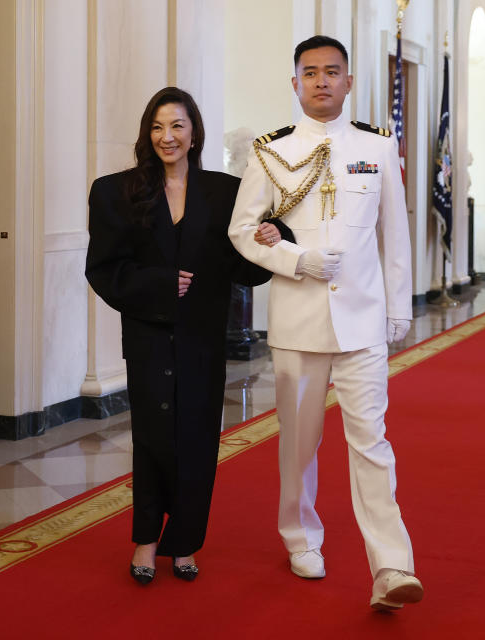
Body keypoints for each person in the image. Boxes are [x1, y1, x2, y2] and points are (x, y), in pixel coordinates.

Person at [228, 36, 424, 611]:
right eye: (309, 73)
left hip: (362, 321)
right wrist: (295, 259)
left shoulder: (378, 146)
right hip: (299, 320)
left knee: (373, 443)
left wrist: (398, 306)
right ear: (295, 83)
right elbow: (242, 230)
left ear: (347, 81)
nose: (320, 81)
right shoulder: (271, 153)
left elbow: (395, 235)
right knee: (300, 444)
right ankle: (300, 535)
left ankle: (391, 565)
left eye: (331, 72)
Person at [85, 87, 277, 585]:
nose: (167, 137)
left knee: (196, 440)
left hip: (202, 338)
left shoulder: (225, 192)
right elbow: (103, 269)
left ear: (194, 133)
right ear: (147, 135)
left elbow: (245, 268)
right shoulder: (115, 192)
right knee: (152, 440)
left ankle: (186, 542)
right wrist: (157, 283)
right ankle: (146, 541)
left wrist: (275, 239)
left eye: (177, 126)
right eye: (157, 127)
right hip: (148, 337)